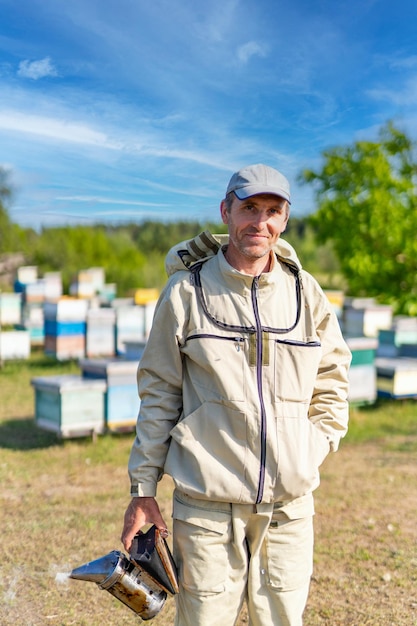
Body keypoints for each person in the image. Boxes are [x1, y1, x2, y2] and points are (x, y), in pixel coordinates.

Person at [121, 163, 351, 626]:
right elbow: (159, 393)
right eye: (249, 208)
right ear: (226, 211)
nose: (259, 222)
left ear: (285, 220)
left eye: (272, 211)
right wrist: (143, 489)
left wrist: (316, 445)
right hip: (205, 511)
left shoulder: (307, 295)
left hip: (288, 511)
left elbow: (333, 377)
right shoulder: (185, 292)